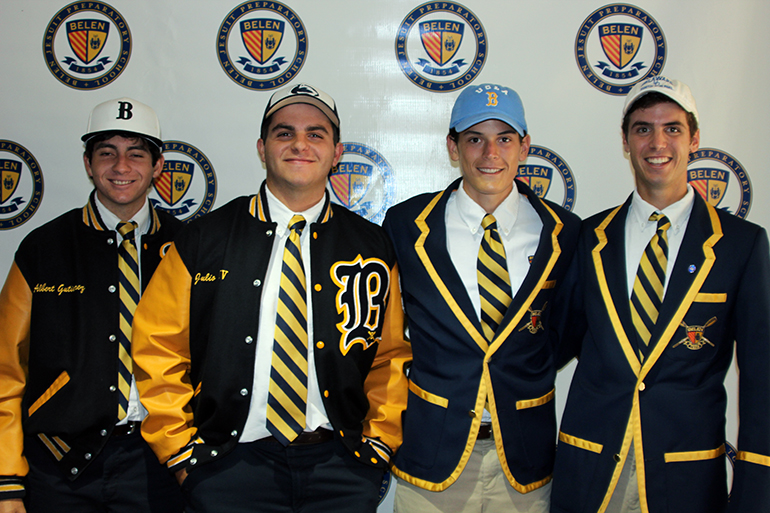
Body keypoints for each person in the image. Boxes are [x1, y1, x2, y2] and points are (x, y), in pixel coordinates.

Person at [131, 83, 411, 513]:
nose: (300, 144)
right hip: (228, 468)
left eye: (316, 134)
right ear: (262, 148)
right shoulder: (205, 238)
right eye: (284, 133)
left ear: (337, 152)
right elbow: (157, 346)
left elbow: (390, 356)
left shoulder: (371, 245)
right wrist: (180, 453)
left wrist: (378, 446)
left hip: (342, 470)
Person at [550, 76, 770, 513]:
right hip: (592, 470)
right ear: (626, 141)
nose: (657, 142)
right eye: (642, 128)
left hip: (685, 475)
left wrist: (755, 487)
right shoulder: (589, 236)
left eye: (672, 128)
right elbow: (554, 344)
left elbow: (761, 377)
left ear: (695, 138)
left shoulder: (740, 244)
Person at [382, 83, 580, 512]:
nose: (491, 153)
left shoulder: (565, 233)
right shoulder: (405, 225)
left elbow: (564, 332)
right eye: (475, 139)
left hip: (525, 460)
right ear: (453, 148)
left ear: (525, 147)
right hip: (432, 459)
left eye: (504, 139)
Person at [0, 98, 184, 512]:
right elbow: (5, 368)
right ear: (88, 162)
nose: (121, 167)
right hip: (59, 465)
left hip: (159, 464)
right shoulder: (43, 248)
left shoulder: (189, 247)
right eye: (107, 153)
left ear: (157, 167)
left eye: (136, 154)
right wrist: (7, 479)